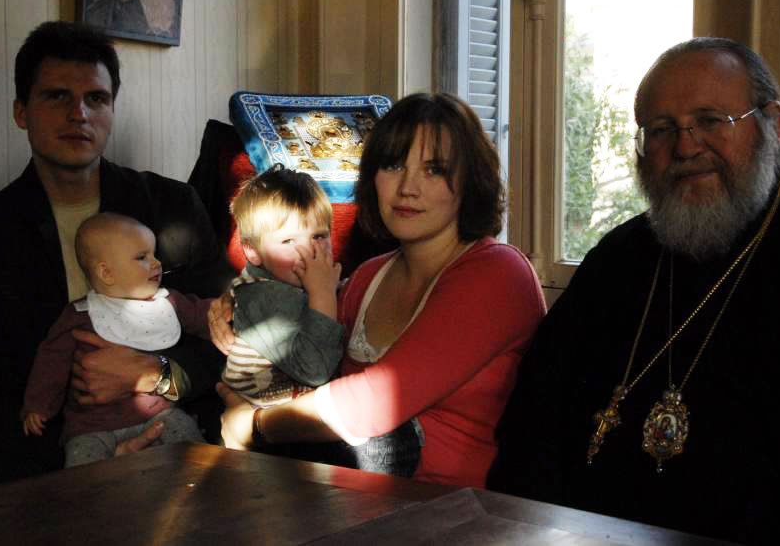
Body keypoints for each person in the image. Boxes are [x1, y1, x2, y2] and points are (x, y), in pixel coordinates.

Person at [488, 38, 780, 543]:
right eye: (662, 130)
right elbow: (532, 424)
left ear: (772, 125)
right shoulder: (616, 260)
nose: (685, 148)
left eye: (710, 121)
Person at [0, 21, 226, 489]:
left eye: (96, 98)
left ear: (112, 108)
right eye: (57, 97)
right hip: (40, 468)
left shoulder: (171, 206)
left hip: (170, 440)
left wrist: (157, 376)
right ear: (21, 112)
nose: (79, 114)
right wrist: (88, 457)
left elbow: (226, 336)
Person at [216, 92, 546, 488]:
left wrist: (254, 425)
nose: (407, 187)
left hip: (457, 506)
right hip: (348, 494)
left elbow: (376, 402)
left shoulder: (499, 273)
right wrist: (231, 304)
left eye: (434, 169)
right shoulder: (367, 276)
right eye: (393, 165)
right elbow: (300, 331)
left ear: (471, 182)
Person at [22, 213, 212, 466]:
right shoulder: (78, 315)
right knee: (83, 472)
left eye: (154, 254)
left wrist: (227, 309)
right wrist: (38, 405)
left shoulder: (167, 302)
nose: (157, 263)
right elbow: (51, 362)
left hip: (159, 414)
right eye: (142, 257)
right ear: (106, 273)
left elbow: (206, 315)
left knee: (194, 452)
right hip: (92, 427)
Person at [222, 164, 344, 406]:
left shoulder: (286, 279)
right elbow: (315, 370)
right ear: (253, 251)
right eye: (288, 241)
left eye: (319, 236)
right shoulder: (262, 296)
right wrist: (323, 293)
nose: (308, 250)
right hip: (267, 420)